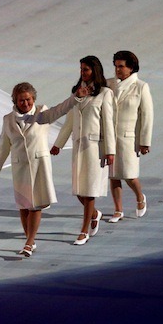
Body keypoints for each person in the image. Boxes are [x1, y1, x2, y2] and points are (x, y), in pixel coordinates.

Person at [0, 82, 90, 256]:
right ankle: (30, 240)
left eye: (28, 100)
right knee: (24, 206)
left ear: (33, 99)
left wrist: (76, 97)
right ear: (15, 101)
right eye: (21, 100)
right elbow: (4, 147)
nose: (25, 103)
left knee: (35, 205)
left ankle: (29, 242)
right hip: (20, 168)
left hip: (38, 165)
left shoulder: (42, 113)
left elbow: (61, 109)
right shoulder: (8, 119)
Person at [51, 56, 116, 245]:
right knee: (79, 190)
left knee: (89, 191)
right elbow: (70, 121)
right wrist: (58, 143)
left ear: (94, 70)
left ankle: (83, 231)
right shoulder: (77, 93)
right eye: (81, 69)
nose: (83, 73)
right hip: (79, 147)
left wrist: (110, 150)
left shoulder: (105, 93)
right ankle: (95, 214)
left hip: (95, 149)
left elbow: (108, 123)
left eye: (86, 69)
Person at [107, 50, 153, 222]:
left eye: (121, 66)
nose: (118, 70)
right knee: (113, 175)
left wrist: (144, 141)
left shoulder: (141, 87)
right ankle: (118, 209)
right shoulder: (108, 84)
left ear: (131, 67)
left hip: (129, 138)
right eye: (116, 66)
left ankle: (140, 197)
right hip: (110, 137)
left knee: (129, 174)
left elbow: (146, 116)